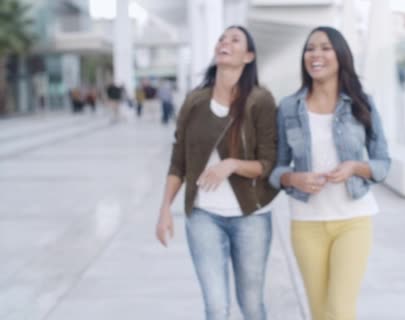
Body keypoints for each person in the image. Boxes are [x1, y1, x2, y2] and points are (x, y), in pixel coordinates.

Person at [155, 26, 279, 320]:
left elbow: (268, 163)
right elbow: (178, 161)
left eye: (235, 40)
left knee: (251, 305)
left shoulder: (260, 100)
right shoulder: (195, 101)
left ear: (248, 56)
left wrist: (233, 164)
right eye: (222, 38)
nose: (225, 42)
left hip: (252, 216)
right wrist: (165, 209)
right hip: (203, 216)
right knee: (215, 307)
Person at [269, 26, 390, 320]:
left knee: (340, 310)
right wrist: (293, 178)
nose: (316, 54)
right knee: (320, 313)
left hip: (353, 220)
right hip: (306, 222)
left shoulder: (362, 103)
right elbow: (276, 169)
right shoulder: (288, 108)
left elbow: (383, 163)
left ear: (340, 55)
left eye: (325, 47)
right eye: (310, 48)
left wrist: (354, 167)